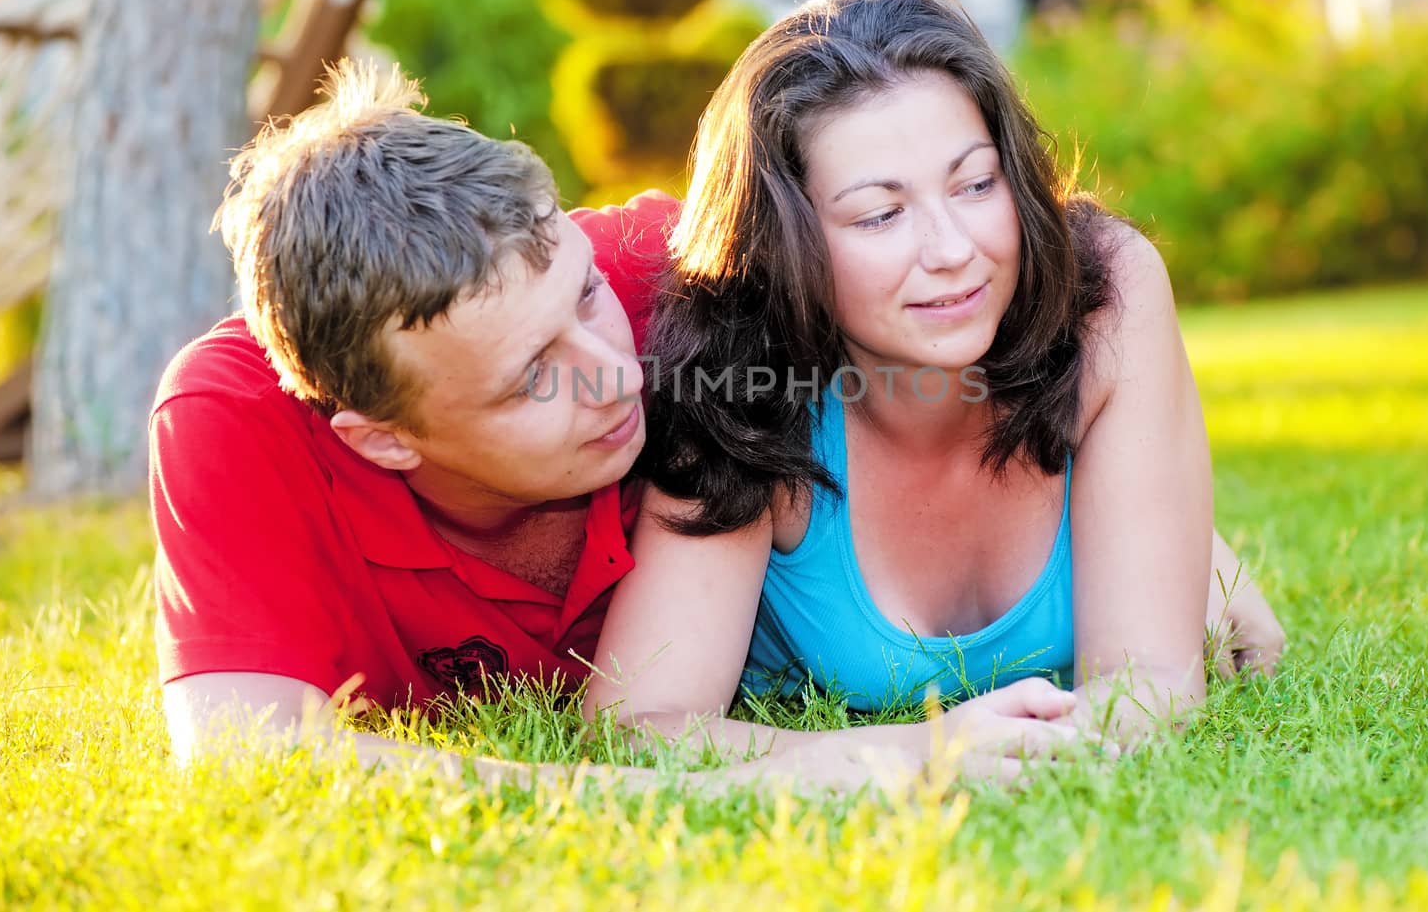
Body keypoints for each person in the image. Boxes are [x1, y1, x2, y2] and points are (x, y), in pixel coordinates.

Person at [154, 56, 1281, 789]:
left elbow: (924, 280)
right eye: (526, 378)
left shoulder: (673, 270)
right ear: (380, 435)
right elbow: (250, 762)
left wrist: (1148, 519)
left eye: (585, 299)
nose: (609, 374)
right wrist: (893, 762)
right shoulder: (237, 421)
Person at [584, 0, 1279, 752]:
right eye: (881, 214)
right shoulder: (742, 375)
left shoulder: (1105, 295)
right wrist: (923, 752)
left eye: (977, 183)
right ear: (785, 245)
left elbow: (1150, 686)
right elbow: (635, 725)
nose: (953, 250)